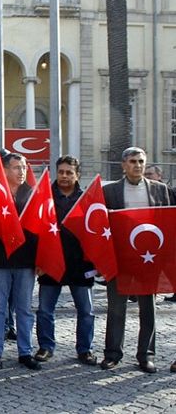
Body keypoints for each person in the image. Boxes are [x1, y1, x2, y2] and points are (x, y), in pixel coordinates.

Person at [101, 147, 172, 374]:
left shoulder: (161, 191)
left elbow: (167, 225)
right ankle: (112, 354)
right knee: (116, 308)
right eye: (132, 161)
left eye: (141, 161)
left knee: (147, 309)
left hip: (148, 260)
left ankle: (146, 355)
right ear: (123, 165)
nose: (137, 165)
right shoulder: (109, 191)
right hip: (119, 259)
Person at [33, 155, 97, 366]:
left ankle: (85, 349)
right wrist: (38, 260)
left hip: (81, 264)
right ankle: (45, 346)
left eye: (69, 172)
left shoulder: (87, 199)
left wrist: (97, 263)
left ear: (77, 174)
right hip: (51, 261)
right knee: (44, 310)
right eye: (61, 172)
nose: (64, 176)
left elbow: (96, 231)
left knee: (86, 311)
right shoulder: (45, 197)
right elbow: (35, 231)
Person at [0, 151, 40, 371]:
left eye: (24, 168)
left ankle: (25, 352)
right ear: (5, 170)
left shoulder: (33, 194)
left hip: (25, 261)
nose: (22, 172)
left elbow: (41, 230)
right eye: (17, 168)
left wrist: (40, 259)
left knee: (24, 309)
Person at [144, 164, 176, 303]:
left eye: (150, 174)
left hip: (165, 236)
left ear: (159, 176)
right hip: (149, 235)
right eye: (146, 174)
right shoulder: (145, 190)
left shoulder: (167, 191)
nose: (147, 177)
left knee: (167, 267)